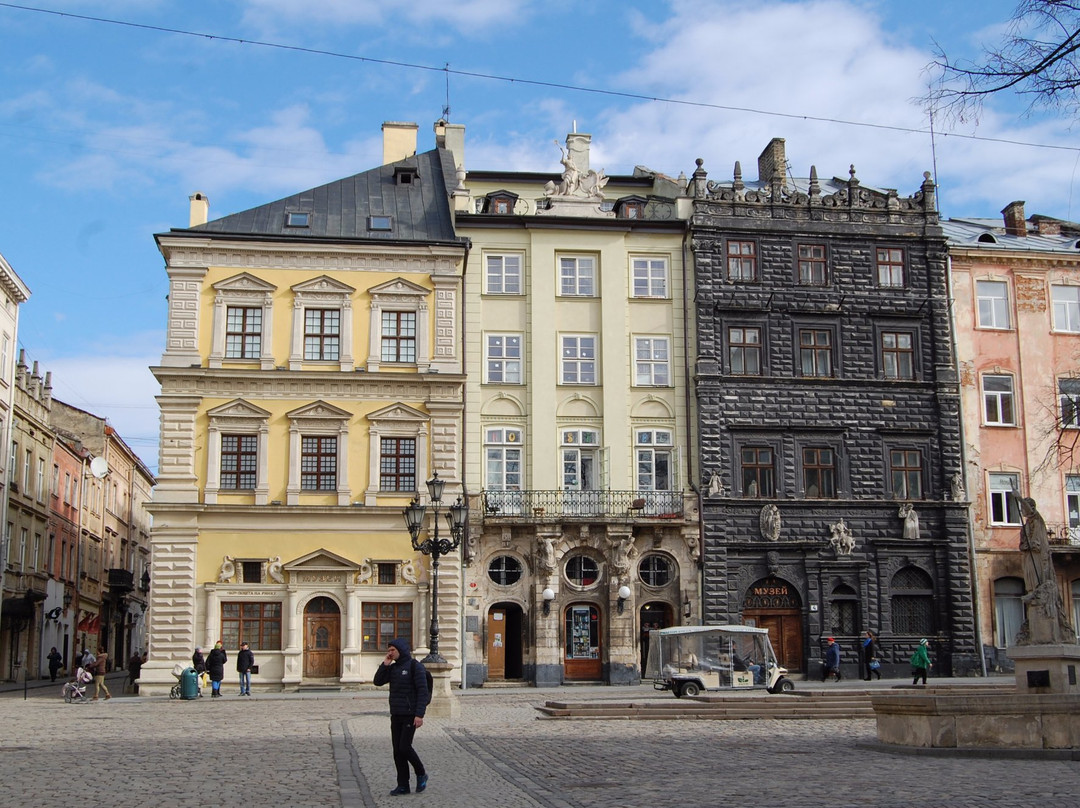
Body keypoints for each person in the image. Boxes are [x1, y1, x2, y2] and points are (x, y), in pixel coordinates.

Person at [373, 638, 429, 796]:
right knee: (397, 751)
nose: (389, 653)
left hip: (410, 715)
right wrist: (385, 664)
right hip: (396, 714)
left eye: (392, 650)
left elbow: (422, 691)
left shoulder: (414, 666)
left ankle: (421, 772)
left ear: (401, 650)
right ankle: (403, 785)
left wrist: (419, 714)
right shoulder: (393, 667)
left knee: (405, 747)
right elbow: (378, 681)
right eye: (389, 650)